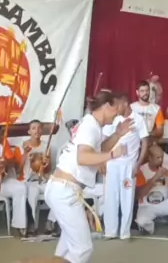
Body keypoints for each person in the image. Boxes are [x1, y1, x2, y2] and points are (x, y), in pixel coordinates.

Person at [44, 91, 129, 263]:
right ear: (107, 106)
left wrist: (117, 135)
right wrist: (112, 155)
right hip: (65, 191)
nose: (118, 114)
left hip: (63, 189)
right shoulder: (90, 126)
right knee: (82, 248)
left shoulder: (91, 124)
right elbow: (82, 157)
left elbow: (97, 150)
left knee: (67, 247)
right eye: (117, 109)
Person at [102, 92, 149, 240]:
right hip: (112, 164)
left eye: (117, 105)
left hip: (128, 166)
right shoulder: (113, 120)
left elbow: (145, 143)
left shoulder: (138, 119)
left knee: (127, 199)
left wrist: (138, 164)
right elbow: (104, 142)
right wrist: (103, 161)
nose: (115, 108)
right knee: (111, 198)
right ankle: (110, 231)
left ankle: (124, 232)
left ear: (125, 104)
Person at [135, 145, 168, 239]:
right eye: (158, 158)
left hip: (163, 205)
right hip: (147, 206)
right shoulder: (142, 170)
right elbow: (139, 194)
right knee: (141, 221)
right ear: (150, 158)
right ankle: (151, 226)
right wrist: (155, 178)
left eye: (162, 157)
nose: (161, 160)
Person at [16, 120, 50, 235]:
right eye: (34, 128)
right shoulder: (22, 146)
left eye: (39, 128)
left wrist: (45, 163)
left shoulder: (46, 146)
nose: (37, 130)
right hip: (28, 181)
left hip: (42, 180)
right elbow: (18, 170)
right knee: (32, 193)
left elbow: (48, 169)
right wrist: (25, 155)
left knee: (58, 191)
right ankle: (32, 224)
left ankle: (51, 222)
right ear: (29, 131)